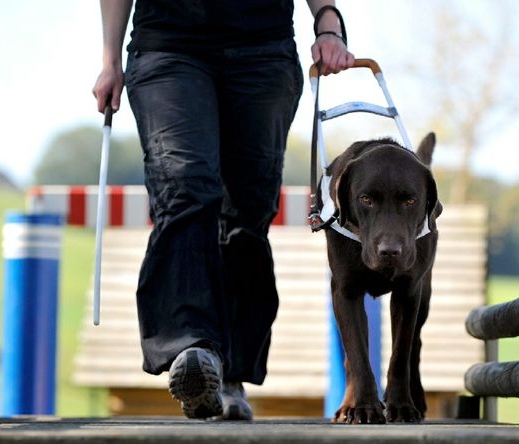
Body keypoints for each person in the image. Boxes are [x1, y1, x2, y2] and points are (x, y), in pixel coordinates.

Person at [93, 0, 354, 421]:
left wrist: (327, 20)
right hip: (167, 45)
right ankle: (191, 349)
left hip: (263, 50)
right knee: (185, 187)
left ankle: (227, 374)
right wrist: (109, 59)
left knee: (247, 213)